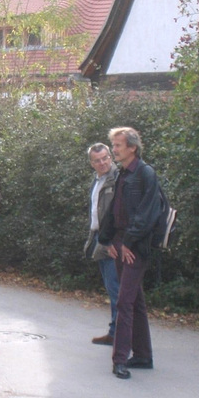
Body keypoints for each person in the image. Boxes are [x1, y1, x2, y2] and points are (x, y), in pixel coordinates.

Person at [98, 127, 160, 379]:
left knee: (124, 302)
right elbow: (115, 211)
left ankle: (120, 360)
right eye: (113, 145)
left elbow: (147, 214)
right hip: (123, 242)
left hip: (136, 246)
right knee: (136, 302)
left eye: (118, 145)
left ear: (132, 147)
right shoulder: (124, 173)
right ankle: (143, 356)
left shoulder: (145, 173)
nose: (114, 150)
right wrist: (107, 240)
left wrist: (128, 242)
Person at [83, 143, 119, 346]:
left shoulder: (117, 180)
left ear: (111, 157)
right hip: (99, 238)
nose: (102, 162)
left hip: (112, 241)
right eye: (97, 160)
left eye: (105, 158)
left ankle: (120, 335)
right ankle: (114, 332)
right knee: (111, 287)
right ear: (92, 163)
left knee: (116, 289)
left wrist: (113, 240)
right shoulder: (96, 181)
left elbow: (117, 215)